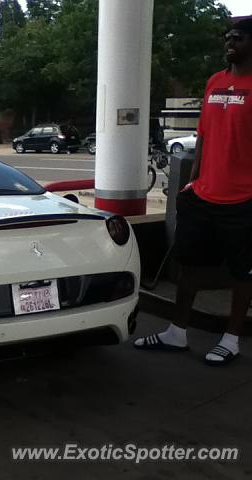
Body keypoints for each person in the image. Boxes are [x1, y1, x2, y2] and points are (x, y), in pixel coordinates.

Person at [134, 18, 252, 366]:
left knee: (242, 273)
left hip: (243, 200)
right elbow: (203, 136)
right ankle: (177, 333)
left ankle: (230, 340)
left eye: (239, 37)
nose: (230, 42)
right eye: (227, 37)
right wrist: (192, 182)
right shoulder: (215, 82)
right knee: (189, 266)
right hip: (202, 196)